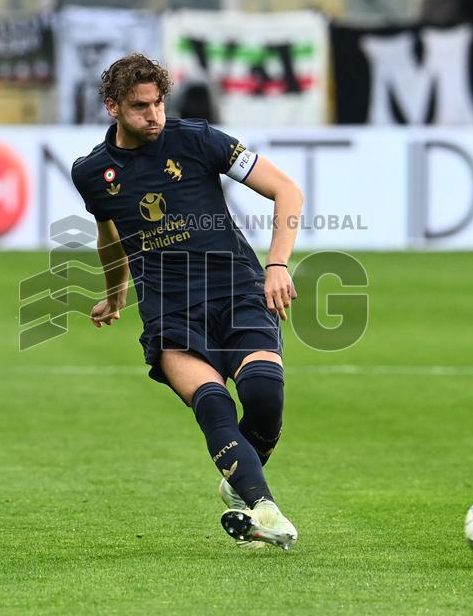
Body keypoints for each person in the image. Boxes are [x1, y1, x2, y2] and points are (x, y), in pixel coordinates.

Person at [70, 53, 304, 549]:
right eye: (139, 107)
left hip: (238, 288)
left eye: (158, 104)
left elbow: (286, 190)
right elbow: (109, 238)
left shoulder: (197, 139)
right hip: (170, 308)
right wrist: (114, 296)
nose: (153, 116)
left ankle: (241, 478)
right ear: (112, 106)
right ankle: (263, 509)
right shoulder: (93, 172)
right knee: (213, 403)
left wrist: (277, 265)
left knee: (264, 397)